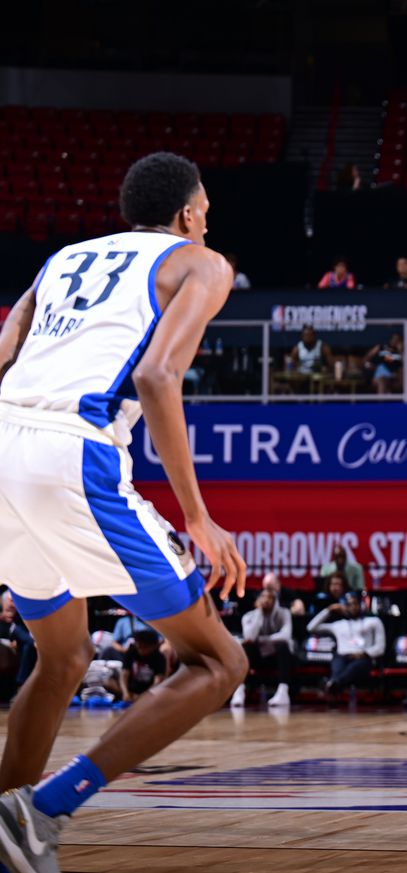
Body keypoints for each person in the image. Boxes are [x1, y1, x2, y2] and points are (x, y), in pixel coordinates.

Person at [0, 151, 247, 871]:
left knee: (63, 654)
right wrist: (197, 518)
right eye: (206, 212)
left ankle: (9, 827)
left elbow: (5, 349)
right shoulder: (202, 263)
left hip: (6, 443)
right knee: (218, 660)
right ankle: (45, 807)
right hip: (70, 453)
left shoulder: (63, 260)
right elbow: (156, 374)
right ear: (191, 214)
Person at [306, 591, 385, 697]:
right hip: (342, 656)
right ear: (343, 606)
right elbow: (311, 628)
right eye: (348, 604)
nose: (352, 607)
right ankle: (334, 684)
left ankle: (331, 683)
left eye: (355, 603)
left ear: (361, 604)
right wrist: (328, 610)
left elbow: (380, 647)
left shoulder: (374, 621)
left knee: (354, 667)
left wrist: (364, 654)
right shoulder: (338, 625)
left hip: (363, 657)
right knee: (338, 665)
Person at [233, 587, 292, 708]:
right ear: (258, 599)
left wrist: (262, 640)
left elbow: (286, 636)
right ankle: (239, 690)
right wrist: (259, 612)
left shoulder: (284, 613)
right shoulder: (248, 616)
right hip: (257, 658)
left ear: (276, 601)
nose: (266, 600)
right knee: (247, 648)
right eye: (263, 597)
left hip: (277, 657)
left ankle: (283, 692)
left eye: (270, 597)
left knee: (283, 646)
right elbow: (250, 637)